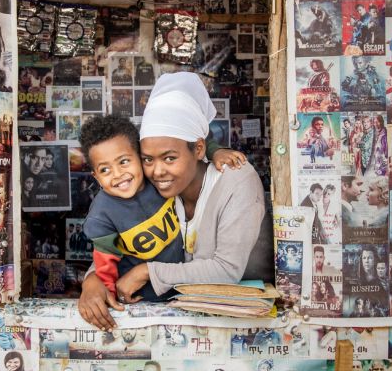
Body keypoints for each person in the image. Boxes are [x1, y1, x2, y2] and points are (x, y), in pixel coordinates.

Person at [77, 72, 269, 329]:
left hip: (240, 323)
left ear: (199, 149)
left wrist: (147, 271)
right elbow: (124, 241)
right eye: (147, 159)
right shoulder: (153, 187)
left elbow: (226, 269)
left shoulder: (236, 181)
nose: (157, 171)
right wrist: (92, 281)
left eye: (169, 158)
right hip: (174, 319)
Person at [77, 114, 242, 301]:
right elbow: (105, 266)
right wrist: (111, 298)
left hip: (186, 286)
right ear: (96, 177)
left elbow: (193, 144)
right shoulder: (101, 215)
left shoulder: (157, 179)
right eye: (105, 170)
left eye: (123, 162)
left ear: (140, 157)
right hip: (145, 299)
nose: (118, 175)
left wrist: (215, 152)